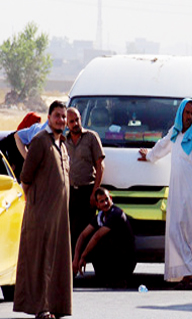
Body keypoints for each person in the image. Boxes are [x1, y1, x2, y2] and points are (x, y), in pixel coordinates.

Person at [138, 99, 192, 290]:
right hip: (177, 191)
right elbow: (161, 147)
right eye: (186, 113)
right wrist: (149, 155)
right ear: (180, 114)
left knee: (189, 234)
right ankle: (187, 275)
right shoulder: (175, 134)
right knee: (174, 231)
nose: (189, 116)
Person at [13, 101, 72, 319]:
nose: (61, 120)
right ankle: (41, 307)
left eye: (64, 117)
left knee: (58, 260)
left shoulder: (62, 144)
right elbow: (25, 179)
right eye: (57, 116)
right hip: (41, 214)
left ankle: (57, 306)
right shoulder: (40, 142)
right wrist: (36, 204)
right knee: (42, 260)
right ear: (49, 118)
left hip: (59, 216)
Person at [73, 187, 136, 287]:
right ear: (97, 204)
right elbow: (82, 235)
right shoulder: (100, 216)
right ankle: (101, 276)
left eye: (107, 199)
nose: (105, 203)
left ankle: (118, 278)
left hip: (124, 259)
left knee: (99, 242)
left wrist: (83, 256)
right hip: (111, 255)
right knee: (83, 241)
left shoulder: (116, 213)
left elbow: (97, 237)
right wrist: (76, 259)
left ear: (111, 198)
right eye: (102, 201)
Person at [66, 107, 106, 253]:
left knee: (84, 230)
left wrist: (95, 192)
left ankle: (81, 261)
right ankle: (71, 267)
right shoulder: (64, 141)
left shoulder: (91, 137)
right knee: (69, 230)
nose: (75, 123)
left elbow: (100, 166)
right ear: (67, 124)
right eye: (71, 121)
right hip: (70, 192)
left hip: (87, 191)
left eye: (77, 120)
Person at [0, 112, 42, 177]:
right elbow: (2, 147)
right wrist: (9, 164)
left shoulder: (37, 138)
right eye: (35, 122)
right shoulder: (15, 136)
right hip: (14, 173)